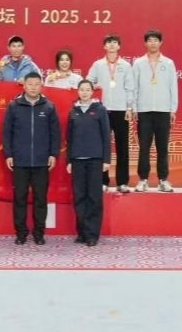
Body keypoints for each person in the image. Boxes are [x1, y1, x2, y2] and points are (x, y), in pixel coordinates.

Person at [3, 71, 61, 245]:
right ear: (24, 85)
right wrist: (9, 154)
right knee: (19, 198)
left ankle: (39, 233)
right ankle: (21, 233)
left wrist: (53, 154)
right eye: (30, 84)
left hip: (42, 162)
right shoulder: (14, 106)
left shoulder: (49, 107)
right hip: (20, 161)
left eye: (37, 84)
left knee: (40, 199)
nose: (33, 88)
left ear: (41, 86)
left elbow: (55, 134)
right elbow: (7, 132)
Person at [87, 34, 135, 193]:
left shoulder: (126, 66)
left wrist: (129, 108)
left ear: (119, 46)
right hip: (102, 110)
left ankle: (123, 182)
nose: (112, 45)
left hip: (121, 110)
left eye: (115, 43)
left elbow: (130, 88)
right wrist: (94, 85)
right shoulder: (98, 65)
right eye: (109, 43)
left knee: (123, 147)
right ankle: (103, 181)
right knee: (102, 146)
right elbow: (88, 81)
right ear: (104, 46)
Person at [131, 29, 178, 193]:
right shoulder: (138, 63)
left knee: (162, 147)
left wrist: (172, 109)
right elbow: (134, 87)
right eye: (150, 40)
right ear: (145, 43)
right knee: (144, 147)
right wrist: (134, 108)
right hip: (144, 111)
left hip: (163, 110)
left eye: (155, 40)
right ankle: (142, 180)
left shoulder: (168, 63)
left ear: (160, 42)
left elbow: (173, 87)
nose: (153, 43)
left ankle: (163, 180)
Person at [66, 80, 110, 247]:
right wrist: (69, 160)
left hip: (95, 160)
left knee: (94, 197)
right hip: (77, 160)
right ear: (77, 92)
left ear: (92, 92)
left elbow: (106, 135)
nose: (84, 92)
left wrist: (106, 160)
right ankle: (82, 233)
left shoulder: (100, 110)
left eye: (87, 90)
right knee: (79, 197)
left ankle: (92, 234)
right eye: (81, 90)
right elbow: (69, 139)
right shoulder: (73, 111)